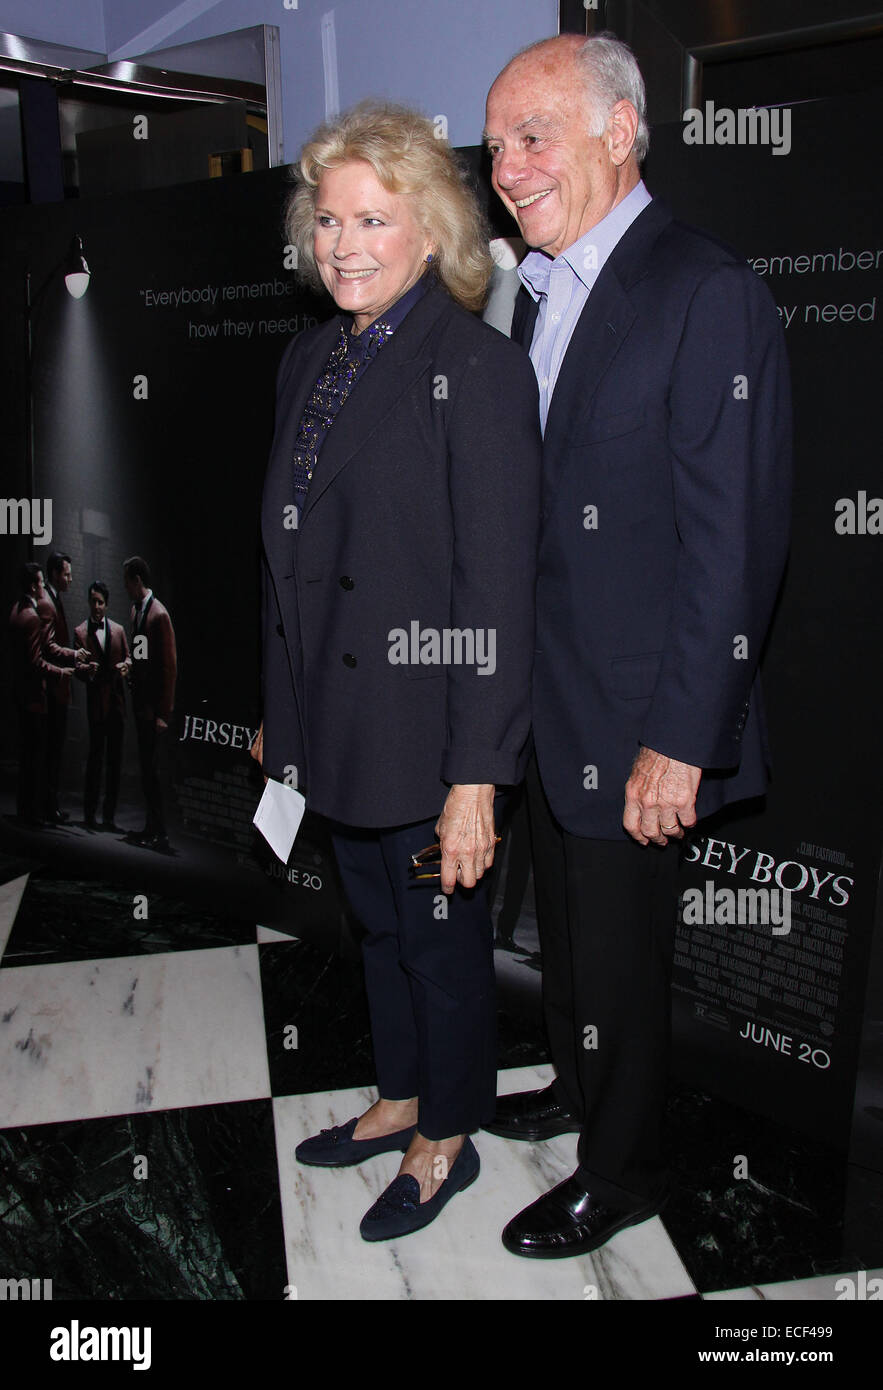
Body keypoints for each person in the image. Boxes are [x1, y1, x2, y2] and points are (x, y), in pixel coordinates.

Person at [482, 34, 791, 1258]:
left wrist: (681, 736)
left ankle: (625, 1166)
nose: (504, 166)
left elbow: (738, 545)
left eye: (532, 136)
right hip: (552, 708)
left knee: (619, 955)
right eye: (496, 142)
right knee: (567, 940)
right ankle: (578, 1084)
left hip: (639, 718)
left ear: (620, 130)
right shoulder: (545, 290)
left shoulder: (700, 288)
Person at [252, 100, 541, 1242]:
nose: (344, 245)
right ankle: (402, 1093)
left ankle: (448, 1135)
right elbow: (285, 557)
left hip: (426, 734)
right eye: (327, 220)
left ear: (429, 231)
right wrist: (284, 714)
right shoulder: (306, 356)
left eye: (373, 219)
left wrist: (476, 777)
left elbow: (498, 592)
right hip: (336, 722)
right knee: (377, 930)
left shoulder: (472, 368)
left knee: (440, 943)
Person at [8, 564, 76, 826]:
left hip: (19, 692)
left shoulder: (15, 610)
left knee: (27, 756)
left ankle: (26, 810)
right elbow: (36, 662)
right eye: (39, 583)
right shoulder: (32, 617)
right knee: (34, 757)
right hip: (33, 696)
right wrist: (61, 673)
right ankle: (30, 814)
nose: (41, 588)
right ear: (33, 586)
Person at [123, 556, 177, 851]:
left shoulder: (159, 615)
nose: (125, 587)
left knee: (153, 772)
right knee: (146, 769)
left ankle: (160, 832)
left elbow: (169, 668)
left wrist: (164, 713)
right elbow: (140, 651)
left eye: (127, 581)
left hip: (154, 708)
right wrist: (130, 663)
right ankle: (150, 827)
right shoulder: (137, 612)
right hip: (141, 704)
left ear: (137, 580)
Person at [75, 581, 131, 831]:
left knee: (115, 762)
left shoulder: (119, 630)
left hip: (117, 705)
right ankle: (89, 814)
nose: (96, 606)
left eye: (100, 602)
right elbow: (77, 668)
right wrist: (87, 671)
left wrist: (126, 666)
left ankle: (109, 817)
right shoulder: (80, 632)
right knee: (95, 760)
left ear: (106, 604)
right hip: (96, 704)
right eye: (93, 601)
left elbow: (129, 657)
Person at [36, 551, 85, 822]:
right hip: (53, 685)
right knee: (51, 748)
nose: (70, 578)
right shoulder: (48, 602)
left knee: (53, 748)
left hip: (57, 684)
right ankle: (47, 805)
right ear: (55, 573)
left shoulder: (54, 599)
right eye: (66, 573)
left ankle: (48, 803)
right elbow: (49, 647)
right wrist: (74, 655)